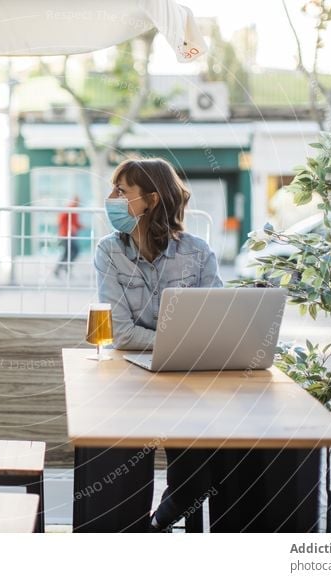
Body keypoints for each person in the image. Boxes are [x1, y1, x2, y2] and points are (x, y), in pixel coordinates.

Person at [93, 157, 223, 532]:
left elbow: (214, 328)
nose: (111, 198)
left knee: (199, 474)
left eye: (121, 191)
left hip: (186, 381)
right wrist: (181, 344)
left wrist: (182, 348)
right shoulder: (109, 251)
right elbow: (121, 335)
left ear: (149, 201)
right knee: (117, 470)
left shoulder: (198, 253)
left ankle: (157, 525)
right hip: (129, 383)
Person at [54, 196, 82, 277]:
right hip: (65, 234)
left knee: (73, 252)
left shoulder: (75, 210)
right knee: (69, 252)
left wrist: (80, 226)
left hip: (71, 234)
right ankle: (61, 268)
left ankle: (64, 267)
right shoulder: (70, 208)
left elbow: (75, 223)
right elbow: (60, 219)